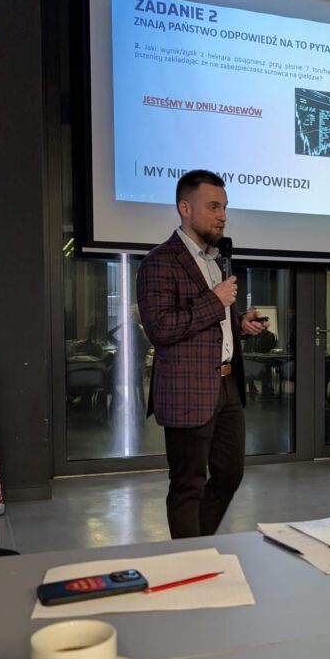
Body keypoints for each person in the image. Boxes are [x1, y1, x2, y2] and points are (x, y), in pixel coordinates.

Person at [136, 169, 266, 538]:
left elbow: (211, 322)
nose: (222, 216)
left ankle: (197, 547)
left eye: (224, 207)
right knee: (188, 485)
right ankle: (189, 559)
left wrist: (239, 323)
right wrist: (215, 300)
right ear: (185, 209)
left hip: (228, 387)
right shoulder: (159, 262)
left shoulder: (217, 261)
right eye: (213, 207)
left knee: (229, 475)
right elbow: (161, 329)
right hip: (186, 390)